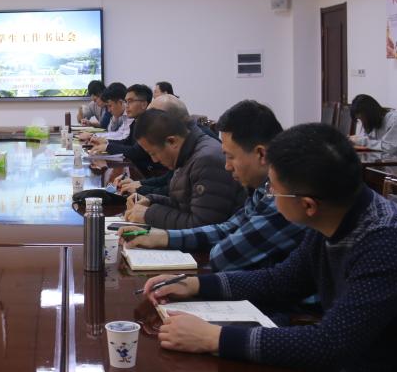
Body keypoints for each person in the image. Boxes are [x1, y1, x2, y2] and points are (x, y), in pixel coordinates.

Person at [144, 124, 397, 372]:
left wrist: (212, 338)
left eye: (273, 189)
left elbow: (329, 344)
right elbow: (282, 281)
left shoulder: (388, 243)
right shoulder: (336, 215)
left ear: (307, 204)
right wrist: (194, 285)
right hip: (349, 370)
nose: (269, 195)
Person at [121, 100, 307, 272]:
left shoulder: (284, 197)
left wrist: (154, 219)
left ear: (261, 154)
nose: (227, 166)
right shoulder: (263, 188)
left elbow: (223, 256)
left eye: (230, 156)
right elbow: (228, 228)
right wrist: (164, 237)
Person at [125, 108, 243, 229]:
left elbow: (203, 226)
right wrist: (151, 200)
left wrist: (149, 215)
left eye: (153, 153)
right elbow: (184, 205)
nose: (154, 160)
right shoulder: (187, 154)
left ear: (171, 141)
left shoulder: (206, 160)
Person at [87, 84, 158, 174]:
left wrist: (107, 146)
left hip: (148, 172)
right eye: (126, 102)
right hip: (137, 169)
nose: (126, 106)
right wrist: (106, 143)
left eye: (130, 101)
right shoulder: (136, 122)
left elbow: (136, 152)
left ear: (144, 104)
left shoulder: (149, 124)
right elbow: (126, 142)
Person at [349, 94, 397, 160]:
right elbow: (370, 140)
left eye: (362, 118)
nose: (363, 123)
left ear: (370, 114)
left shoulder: (395, 120)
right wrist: (356, 139)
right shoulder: (375, 122)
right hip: (395, 160)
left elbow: (389, 148)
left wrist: (361, 141)